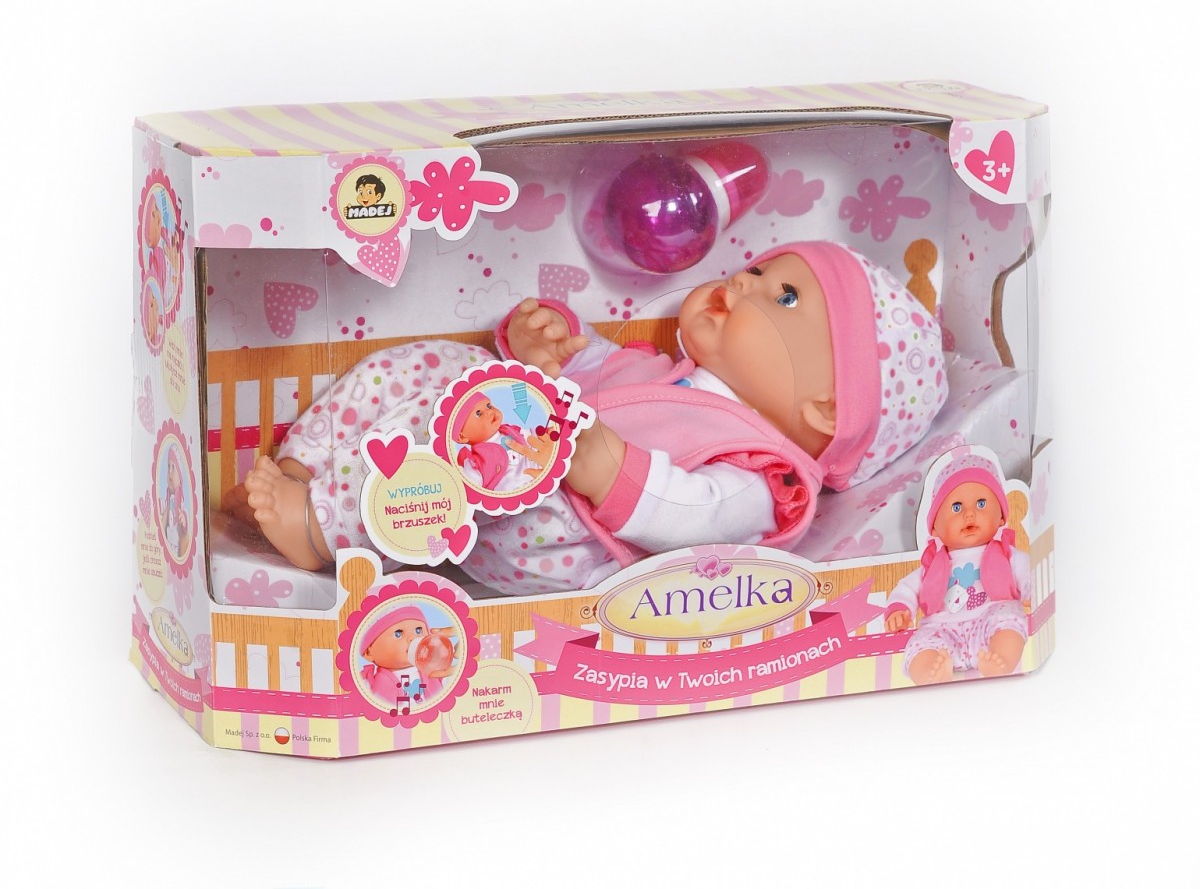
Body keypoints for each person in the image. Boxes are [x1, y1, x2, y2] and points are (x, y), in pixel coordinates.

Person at [227, 241, 948, 595]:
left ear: (827, 406)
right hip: (534, 474)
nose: (744, 279)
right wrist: (553, 347)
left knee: (460, 439)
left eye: (783, 297)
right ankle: (310, 459)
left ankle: (320, 529)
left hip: (565, 537)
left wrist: (604, 465)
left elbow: (692, 515)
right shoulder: (665, 373)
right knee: (440, 367)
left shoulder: (766, 476)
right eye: (759, 268)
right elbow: (596, 374)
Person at [884, 448, 1031, 684]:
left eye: (981, 504)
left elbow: (1026, 571)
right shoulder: (932, 565)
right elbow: (908, 588)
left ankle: (1001, 659)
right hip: (943, 628)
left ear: (1002, 517)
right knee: (921, 643)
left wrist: (1031, 592)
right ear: (934, 527)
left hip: (990, 616)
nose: (969, 514)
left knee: (1008, 620)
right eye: (956, 507)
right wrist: (900, 609)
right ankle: (931, 672)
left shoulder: (1006, 554)